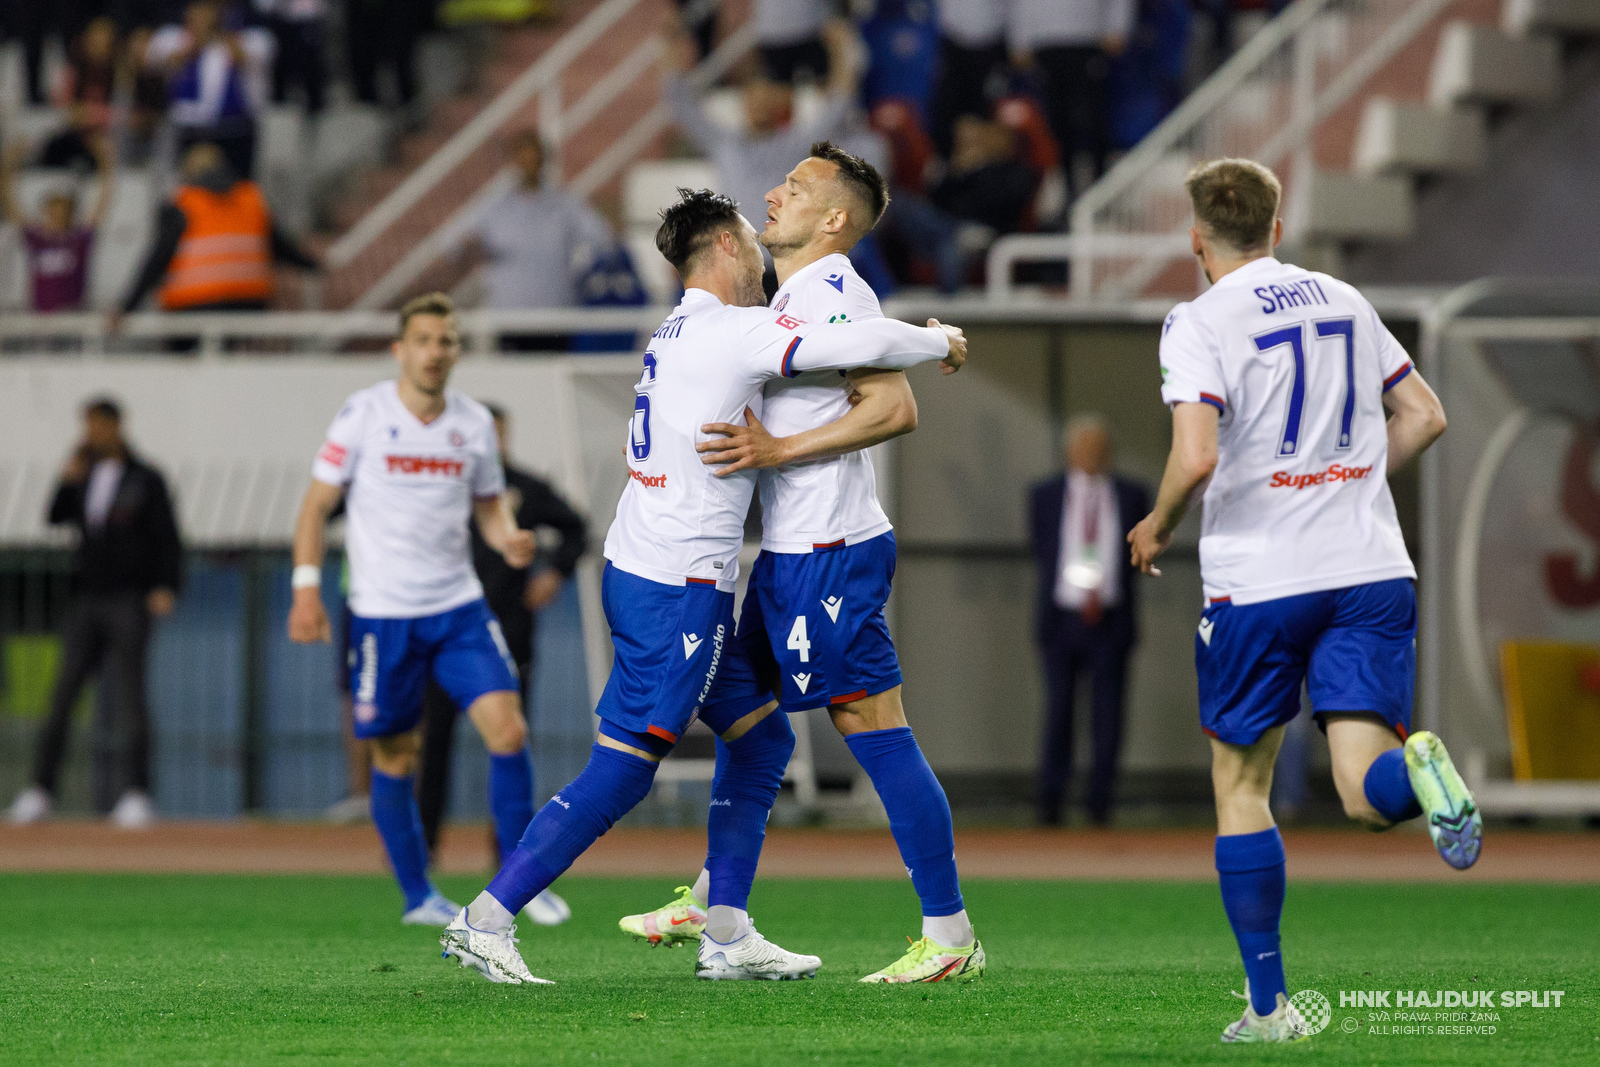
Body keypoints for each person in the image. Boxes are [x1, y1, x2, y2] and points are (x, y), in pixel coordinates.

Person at [437, 188, 966, 985]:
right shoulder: (734, 331)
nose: (761, 255)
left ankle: (725, 928)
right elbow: (854, 340)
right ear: (725, 246)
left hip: (658, 569)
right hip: (676, 586)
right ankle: (488, 917)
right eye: (750, 243)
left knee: (761, 737)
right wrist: (936, 340)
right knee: (626, 763)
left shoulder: (674, 331)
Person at [1127, 158, 1481, 1042]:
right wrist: (1347, 484)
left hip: (1263, 579)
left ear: (1197, 240)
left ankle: (1268, 1006)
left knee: (1241, 785)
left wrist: (1158, 524)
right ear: (1278, 230)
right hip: (1368, 567)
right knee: (1366, 793)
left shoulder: (1198, 320)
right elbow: (1426, 415)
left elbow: (1197, 454)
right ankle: (1423, 769)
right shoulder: (1346, 299)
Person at [619, 144, 987, 984]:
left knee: (872, 724)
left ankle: (950, 934)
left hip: (831, 549)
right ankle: (719, 905)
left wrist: (780, 448)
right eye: (780, 180)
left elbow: (895, 406)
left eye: (799, 186)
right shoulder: (791, 296)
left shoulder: (834, 290)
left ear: (835, 219)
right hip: (790, 556)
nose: (773, 193)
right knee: (747, 716)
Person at [286, 292, 541, 926]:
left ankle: (518, 883)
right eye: (423, 340)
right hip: (382, 614)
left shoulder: (474, 423)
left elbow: (487, 503)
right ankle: (417, 895)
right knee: (396, 755)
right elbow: (315, 506)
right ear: (401, 350)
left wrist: (505, 534)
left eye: (446, 341)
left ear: (457, 351)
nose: (434, 352)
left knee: (509, 732)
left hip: (458, 608)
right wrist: (306, 589)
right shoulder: (363, 414)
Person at [416, 403, 588, 898]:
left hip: (508, 630)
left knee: (509, 739)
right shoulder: (442, 484)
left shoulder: (525, 489)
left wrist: (554, 572)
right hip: (442, 627)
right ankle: (423, 845)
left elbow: (575, 526)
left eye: (497, 433)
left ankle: (508, 849)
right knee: (434, 740)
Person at [7, 398, 182, 830]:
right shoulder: (84, 476)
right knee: (62, 696)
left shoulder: (146, 479)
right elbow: (54, 518)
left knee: (130, 698)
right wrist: (67, 478)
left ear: (116, 426)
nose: (92, 435)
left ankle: (137, 793)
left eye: (99, 426)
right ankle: (40, 790)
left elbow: (168, 535)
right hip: (86, 599)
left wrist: (166, 586)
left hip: (129, 599)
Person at [1029, 414, 1150, 827]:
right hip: (1062, 618)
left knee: (1109, 715)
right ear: (1070, 452)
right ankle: (1052, 800)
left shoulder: (1133, 494)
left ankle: (1101, 801)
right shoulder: (1045, 495)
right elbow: (1042, 550)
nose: (1092, 456)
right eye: (1084, 448)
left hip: (1112, 619)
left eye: (1100, 448)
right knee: (1059, 711)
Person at [665, 21, 856, 239]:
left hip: (782, 262)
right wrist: (671, 49)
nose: (760, 103)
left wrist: (840, 52)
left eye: (767, 96)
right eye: (754, 96)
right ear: (744, 102)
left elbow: (837, 109)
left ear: (778, 104)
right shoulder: (724, 142)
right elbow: (681, 105)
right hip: (739, 261)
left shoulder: (794, 144)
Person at [113, 142, 319, 324]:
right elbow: (280, 247)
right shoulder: (251, 198)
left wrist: (127, 308)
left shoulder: (183, 203)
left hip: (192, 308)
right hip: (248, 307)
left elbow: (158, 259)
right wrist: (315, 266)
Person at [452, 129, 617, 350]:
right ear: (513, 160)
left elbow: (604, 240)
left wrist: (580, 277)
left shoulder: (564, 205)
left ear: (544, 160)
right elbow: (452, 244)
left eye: (534, 156)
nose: (529, 163)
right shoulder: (493, 207)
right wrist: (475, 251)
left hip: (555, 317)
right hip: (511, 320)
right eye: (523, 156)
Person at [1009, 0, 1136, 205]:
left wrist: (1118, 27)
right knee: (1058, 121)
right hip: (1047, 40)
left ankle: (1101, 187)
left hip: (1087, 37)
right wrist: (1020, 40)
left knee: (1092, 117)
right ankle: (1067, 192)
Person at [144, 0, 274, 179]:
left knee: (236, 186)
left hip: (234, 130)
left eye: (209, 12)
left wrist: (222, 32)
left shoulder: (249, 38)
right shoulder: (173, 38)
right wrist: (194, 40)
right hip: (189, 129)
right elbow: (152, 59)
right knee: (189, 186)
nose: (204, 17)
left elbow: (248, 56)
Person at [0, 137, 114, 313]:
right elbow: (10, 203)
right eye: (52, 209)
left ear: (70, 212)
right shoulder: (37, 238)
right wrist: (9, 165)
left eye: (61, 209)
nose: (56, 215)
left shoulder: (78, 238)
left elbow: (102, 202)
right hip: (40, 318)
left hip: (71, 317)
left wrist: (105, 162)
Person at [929, 0, 1010, 155]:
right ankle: (948, 162)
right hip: (952, 42)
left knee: (990, 109)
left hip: (994, 45)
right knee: (947, 109)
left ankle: (988, 167)